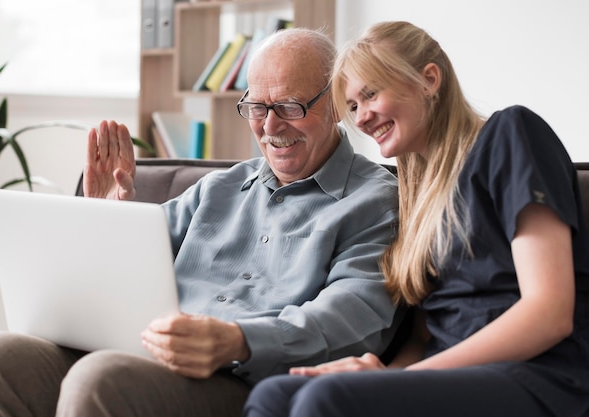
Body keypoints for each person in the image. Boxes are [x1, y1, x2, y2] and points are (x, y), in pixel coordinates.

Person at [0, 28, 403, 417]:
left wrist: (237, 340)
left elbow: (354, 317)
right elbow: (130, 268)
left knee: (100, 378)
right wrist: (107, 221)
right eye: (255, 107)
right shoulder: (219, 189)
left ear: (336, 104)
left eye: (289, 106)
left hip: (242, 381)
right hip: (145, 353)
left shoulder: (375, 201)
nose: (270, 126)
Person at [243, 21, 589, 417]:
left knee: (324, 400)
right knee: (275, 395)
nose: (361, 118)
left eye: (371, 94)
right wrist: (387, 372)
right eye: (353, 106)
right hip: (446, 377)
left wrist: (399, 380)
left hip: (535, 375)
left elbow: (550, 312)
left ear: (428, 80)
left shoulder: (510, 135)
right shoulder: (417, 192)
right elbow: (426, 333)